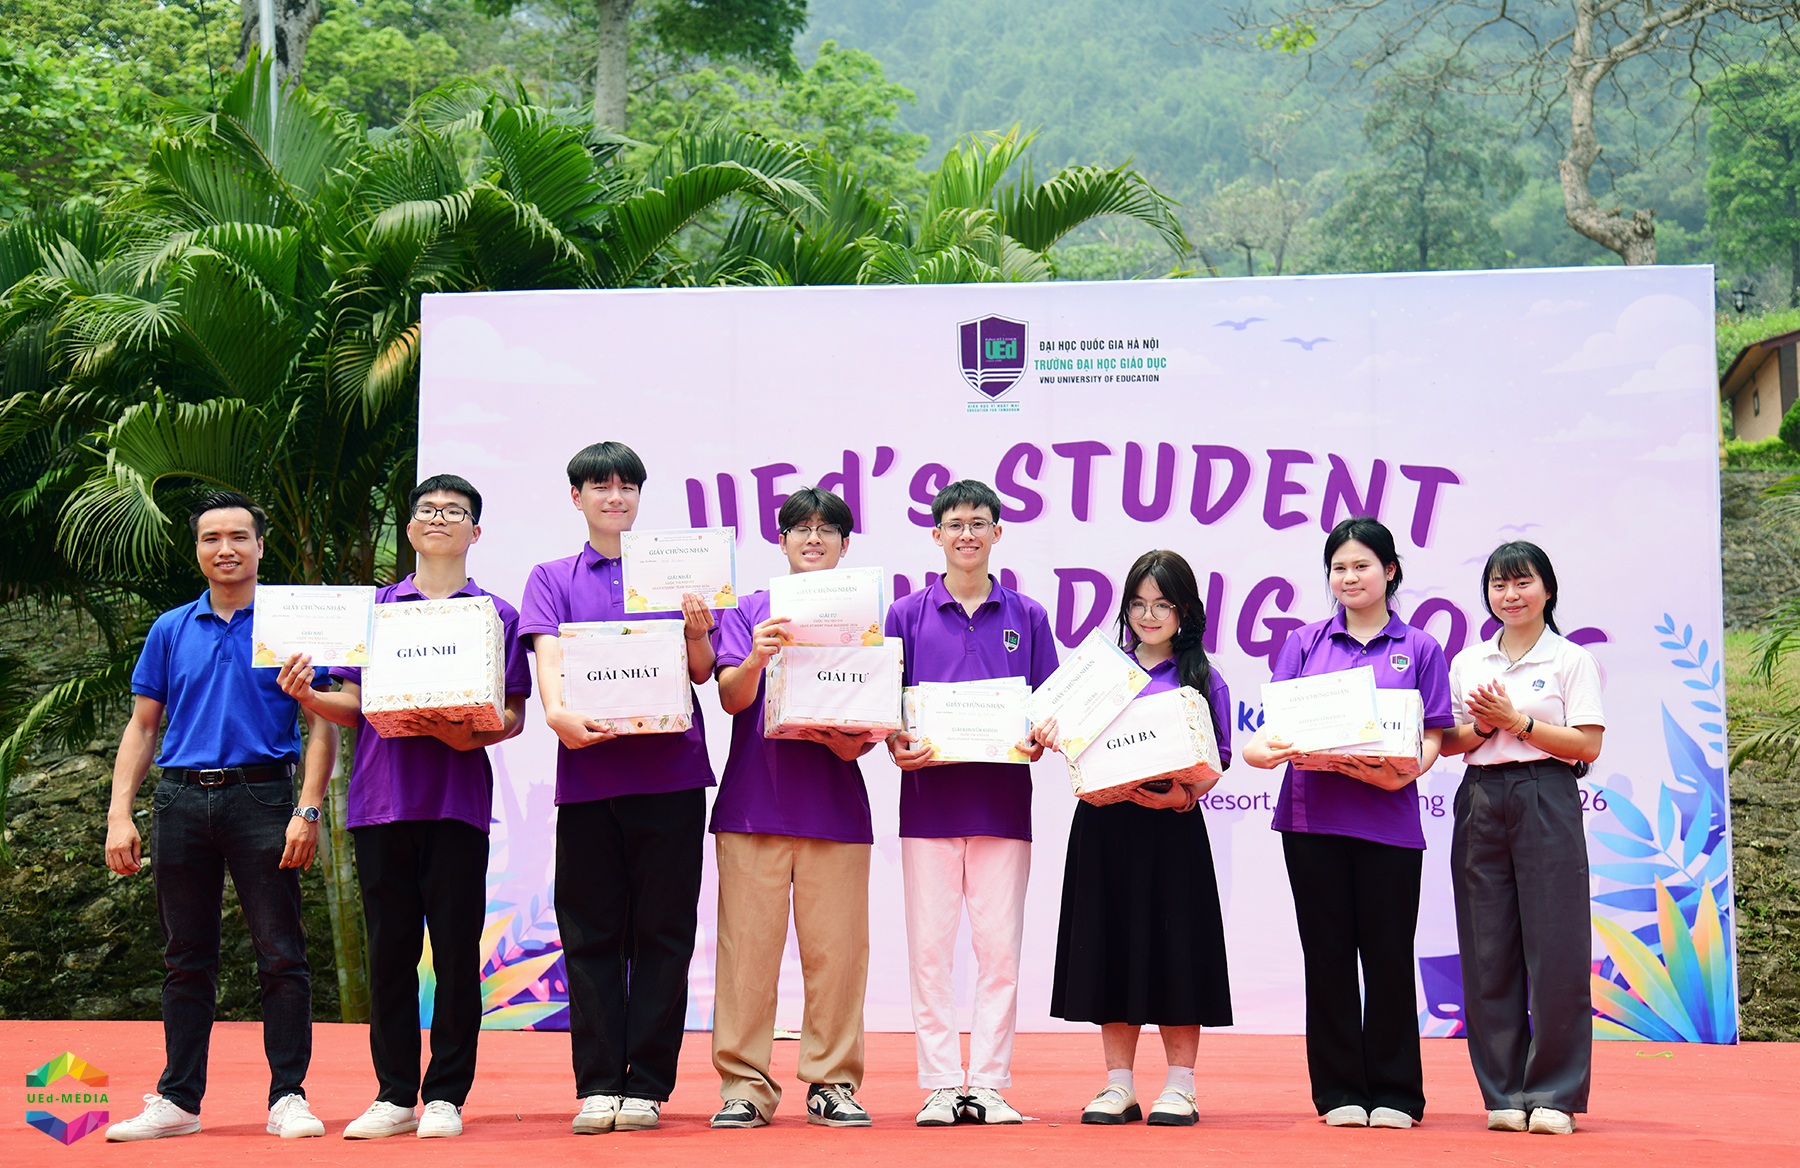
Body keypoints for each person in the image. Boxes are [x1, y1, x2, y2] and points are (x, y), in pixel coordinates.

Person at [279, 474, 531, 1139]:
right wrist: (306, 695)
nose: (440, 517)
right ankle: (393, 1095)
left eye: (455, 511)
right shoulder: (374, 612)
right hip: (380, 803)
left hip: (456, 804)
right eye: (428, 509)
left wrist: (472, 734)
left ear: (476, 531)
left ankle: (445, 1095)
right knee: (389, 954)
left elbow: (514, 713)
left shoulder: (497, 615)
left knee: (454, 954)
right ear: (412, 528)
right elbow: (352, 704)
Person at [102, 491, 336, 1141]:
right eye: (211, 538)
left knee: (281, 954)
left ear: (260, 545)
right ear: (198, 549)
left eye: (238, 537)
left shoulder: (292, 626)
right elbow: (143, 726)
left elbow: (322, 725)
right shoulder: (171, 628)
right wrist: (120, 814)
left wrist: (308, 808)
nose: (225, 549)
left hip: (264, 798)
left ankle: (288, 1096)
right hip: (179, 800)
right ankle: (178, 1101)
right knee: (185, 957)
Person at [519, 441, 717, 1134]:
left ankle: (649, 1085)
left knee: (665, 932)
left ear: (639, 496)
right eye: (600, 487)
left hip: (672, 775)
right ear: (576, 497)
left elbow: (701, 671)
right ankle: (600, 1082)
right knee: (591, 933)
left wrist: (698, 632)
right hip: (588, 779)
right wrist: (555, 713)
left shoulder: (673, 571)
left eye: (626, 487)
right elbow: (547, 654)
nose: (615, 497)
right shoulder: (551, 576)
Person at [1241, 517, 1452, 1130]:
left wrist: (1405, 772)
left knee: (1388, 958)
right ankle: (1337, 1091)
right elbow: (1277, 727)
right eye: (1339, 567)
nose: (1349, 577)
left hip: (1389, 820)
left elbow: (1433, 733)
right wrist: (1268, 749)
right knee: (1328, 958)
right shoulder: (1305, 643)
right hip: (1312, 822)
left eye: (1362, 565)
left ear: (1390, 571)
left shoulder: (1421, 647)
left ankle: (1396, 1093)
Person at [707, 487, 884, 1130]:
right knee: (746, 956)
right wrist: (758, 656)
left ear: (845, 544)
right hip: (752, 806)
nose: (814, 538)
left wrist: (853, 739)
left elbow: (874, 720)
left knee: (838, 956)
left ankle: (832, 1082)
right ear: (781, 540)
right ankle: (743, 1086)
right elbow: (731, 698)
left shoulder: (868, 615)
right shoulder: (750, 608)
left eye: (826, 529)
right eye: (801, 528)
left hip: (835, 809)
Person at [885, 479, 1057, 1127]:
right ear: (936, 534)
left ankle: (987, 1083)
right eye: (955, 524)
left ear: (997, 532)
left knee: (999, 953)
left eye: (978, 523)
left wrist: (1040, 736)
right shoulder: (905, 615)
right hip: (927, 806)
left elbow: (1048, 709)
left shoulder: (1028, 616)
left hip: (1003, 809)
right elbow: (886, 706)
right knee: (929, 952)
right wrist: (895, 742)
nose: (967, 534)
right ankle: (938, 1084)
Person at [1048, 550, 1234, 1127]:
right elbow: (1072, 741)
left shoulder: (1202, 678)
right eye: (1138, 603)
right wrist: (1051, 732)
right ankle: (1118, 1085)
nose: (1148, 616)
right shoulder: (1099, 675)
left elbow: (1218, 758)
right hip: (1105, 826)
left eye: (1162, 604)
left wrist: (1182, 796)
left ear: (1186, 612)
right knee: (1112, 947)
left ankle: (1181, 1086)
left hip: (1172, 830)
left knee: (1178, 950)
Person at [1438, 542, 1604, 1137]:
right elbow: (1449, 742)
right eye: (1499, 585)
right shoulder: (1469, 661)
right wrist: (1484, 726)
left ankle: (1555, 1093)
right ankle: (1503, 1091)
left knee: (1556, 947)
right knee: (1487, 950)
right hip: (1482, 796)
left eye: (1522, 582)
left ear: (1547, 590)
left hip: (1545, 793)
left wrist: (1521, 724)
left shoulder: (1570, 659)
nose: (1510, 595)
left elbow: (1588, 744)